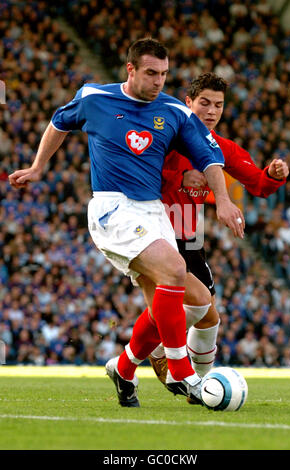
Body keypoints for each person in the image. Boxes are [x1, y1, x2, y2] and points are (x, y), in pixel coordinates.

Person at [9, 39, 244, 408]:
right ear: (130, 69)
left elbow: (209, 156)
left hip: (152, 211)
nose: (158, 82)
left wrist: (224, 201)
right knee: (174, 269)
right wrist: (39, 167)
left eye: (164, 75)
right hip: (112, 208)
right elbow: (58, 121)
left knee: (198, 303)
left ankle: (123, 367)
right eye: (151, 73)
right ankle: (184, 373)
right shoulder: (93, 98)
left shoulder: (174, 112)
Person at [147, 72, 289, 397]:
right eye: (204, 103)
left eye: (219, 105)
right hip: (156, 231)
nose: (211, 111)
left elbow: (258, 184)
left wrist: (273, 173)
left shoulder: (220, 147)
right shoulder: (165, 136)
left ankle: (197, 383)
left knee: (210, 318)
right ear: (188, 103)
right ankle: (152, 356)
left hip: (190, 237)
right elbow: (137, 171)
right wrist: (180, 175)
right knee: (199, 307)